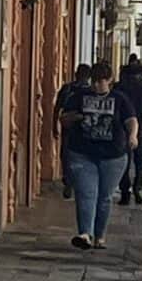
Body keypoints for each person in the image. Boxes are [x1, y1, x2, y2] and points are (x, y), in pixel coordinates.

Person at [60, 61, 138, 250]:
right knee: (86, 193)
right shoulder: (79, 96)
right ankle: (85, 233)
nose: (96, 85)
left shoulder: (119, 99)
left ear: (109, 80)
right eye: (94, 81)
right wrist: (73, 118)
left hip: (113, 156)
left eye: (101, 81)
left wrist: (133, 136)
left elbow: (131, 119)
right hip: (82, 153)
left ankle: (99, 235)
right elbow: (64, 118)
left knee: (104, 197)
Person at [53, 64, 92, 199]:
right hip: (82, 128)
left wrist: (55, 124)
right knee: (80, 155)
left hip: (69, 126)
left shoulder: (68, 88)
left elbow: (57, 108)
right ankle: (72, 181)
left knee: (66, 153)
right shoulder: (89, 92)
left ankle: (69, 180)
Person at [115, 63, 142, 205]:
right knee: (140, 160)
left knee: (124, 160)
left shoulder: (119, 87)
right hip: (139, 126)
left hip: (121, 127)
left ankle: (125, 192)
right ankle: (138, 188)